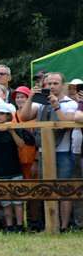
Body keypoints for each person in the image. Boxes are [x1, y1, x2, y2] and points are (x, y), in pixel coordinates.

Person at [18, 72, 78, 229]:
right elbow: (24, 117)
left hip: (63, 152)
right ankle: (50, 224)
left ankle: (64, 226)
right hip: (44, 152)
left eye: (55, 83)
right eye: (48, 84)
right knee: (46, 189)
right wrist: (31, 97)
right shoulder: (41, 103)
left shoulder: (70, 103)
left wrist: (56, 105)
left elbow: (65, 124)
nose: (51, 86)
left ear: (63, 85)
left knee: (65, 190)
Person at [0, 101, 32, 233]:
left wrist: (12, 131)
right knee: (5, 203)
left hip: (15, 169)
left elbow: (21, 144)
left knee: (18, 202)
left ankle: (19, 225)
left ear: (8, 116)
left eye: (2, 114)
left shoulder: (14, 129)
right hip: (0, 170)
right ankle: (9, 226)